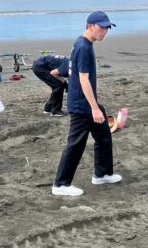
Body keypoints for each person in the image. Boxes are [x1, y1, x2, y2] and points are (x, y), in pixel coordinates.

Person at [52, 11, 122, 197]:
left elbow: (72, 73)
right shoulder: (83, 46)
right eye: (102, 27)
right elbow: (83, 79)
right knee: (75, 144)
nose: (105, 31)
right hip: (81, 105)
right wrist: (94, 107)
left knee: (104, 137)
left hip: (87, 102)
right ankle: (61, 184)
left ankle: (102, 174)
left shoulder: (84, 43)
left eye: (107, 28)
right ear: (90, 26)